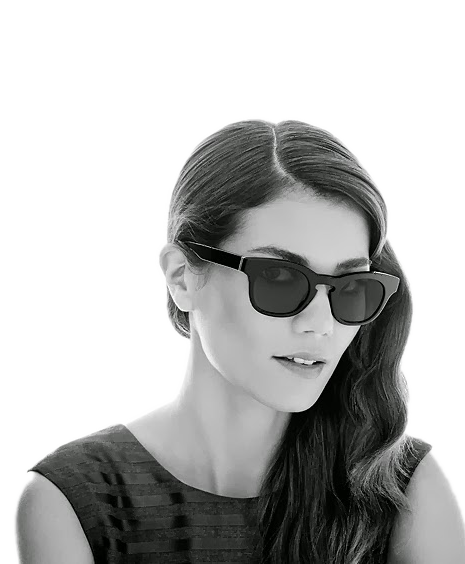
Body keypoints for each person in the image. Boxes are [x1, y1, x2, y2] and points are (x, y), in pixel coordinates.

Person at [15, 119, 462, 563]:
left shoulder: (406, 488)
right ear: (182, 277)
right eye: (280, 279)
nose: (320, 324)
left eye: (350, 288)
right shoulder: (71, 502)